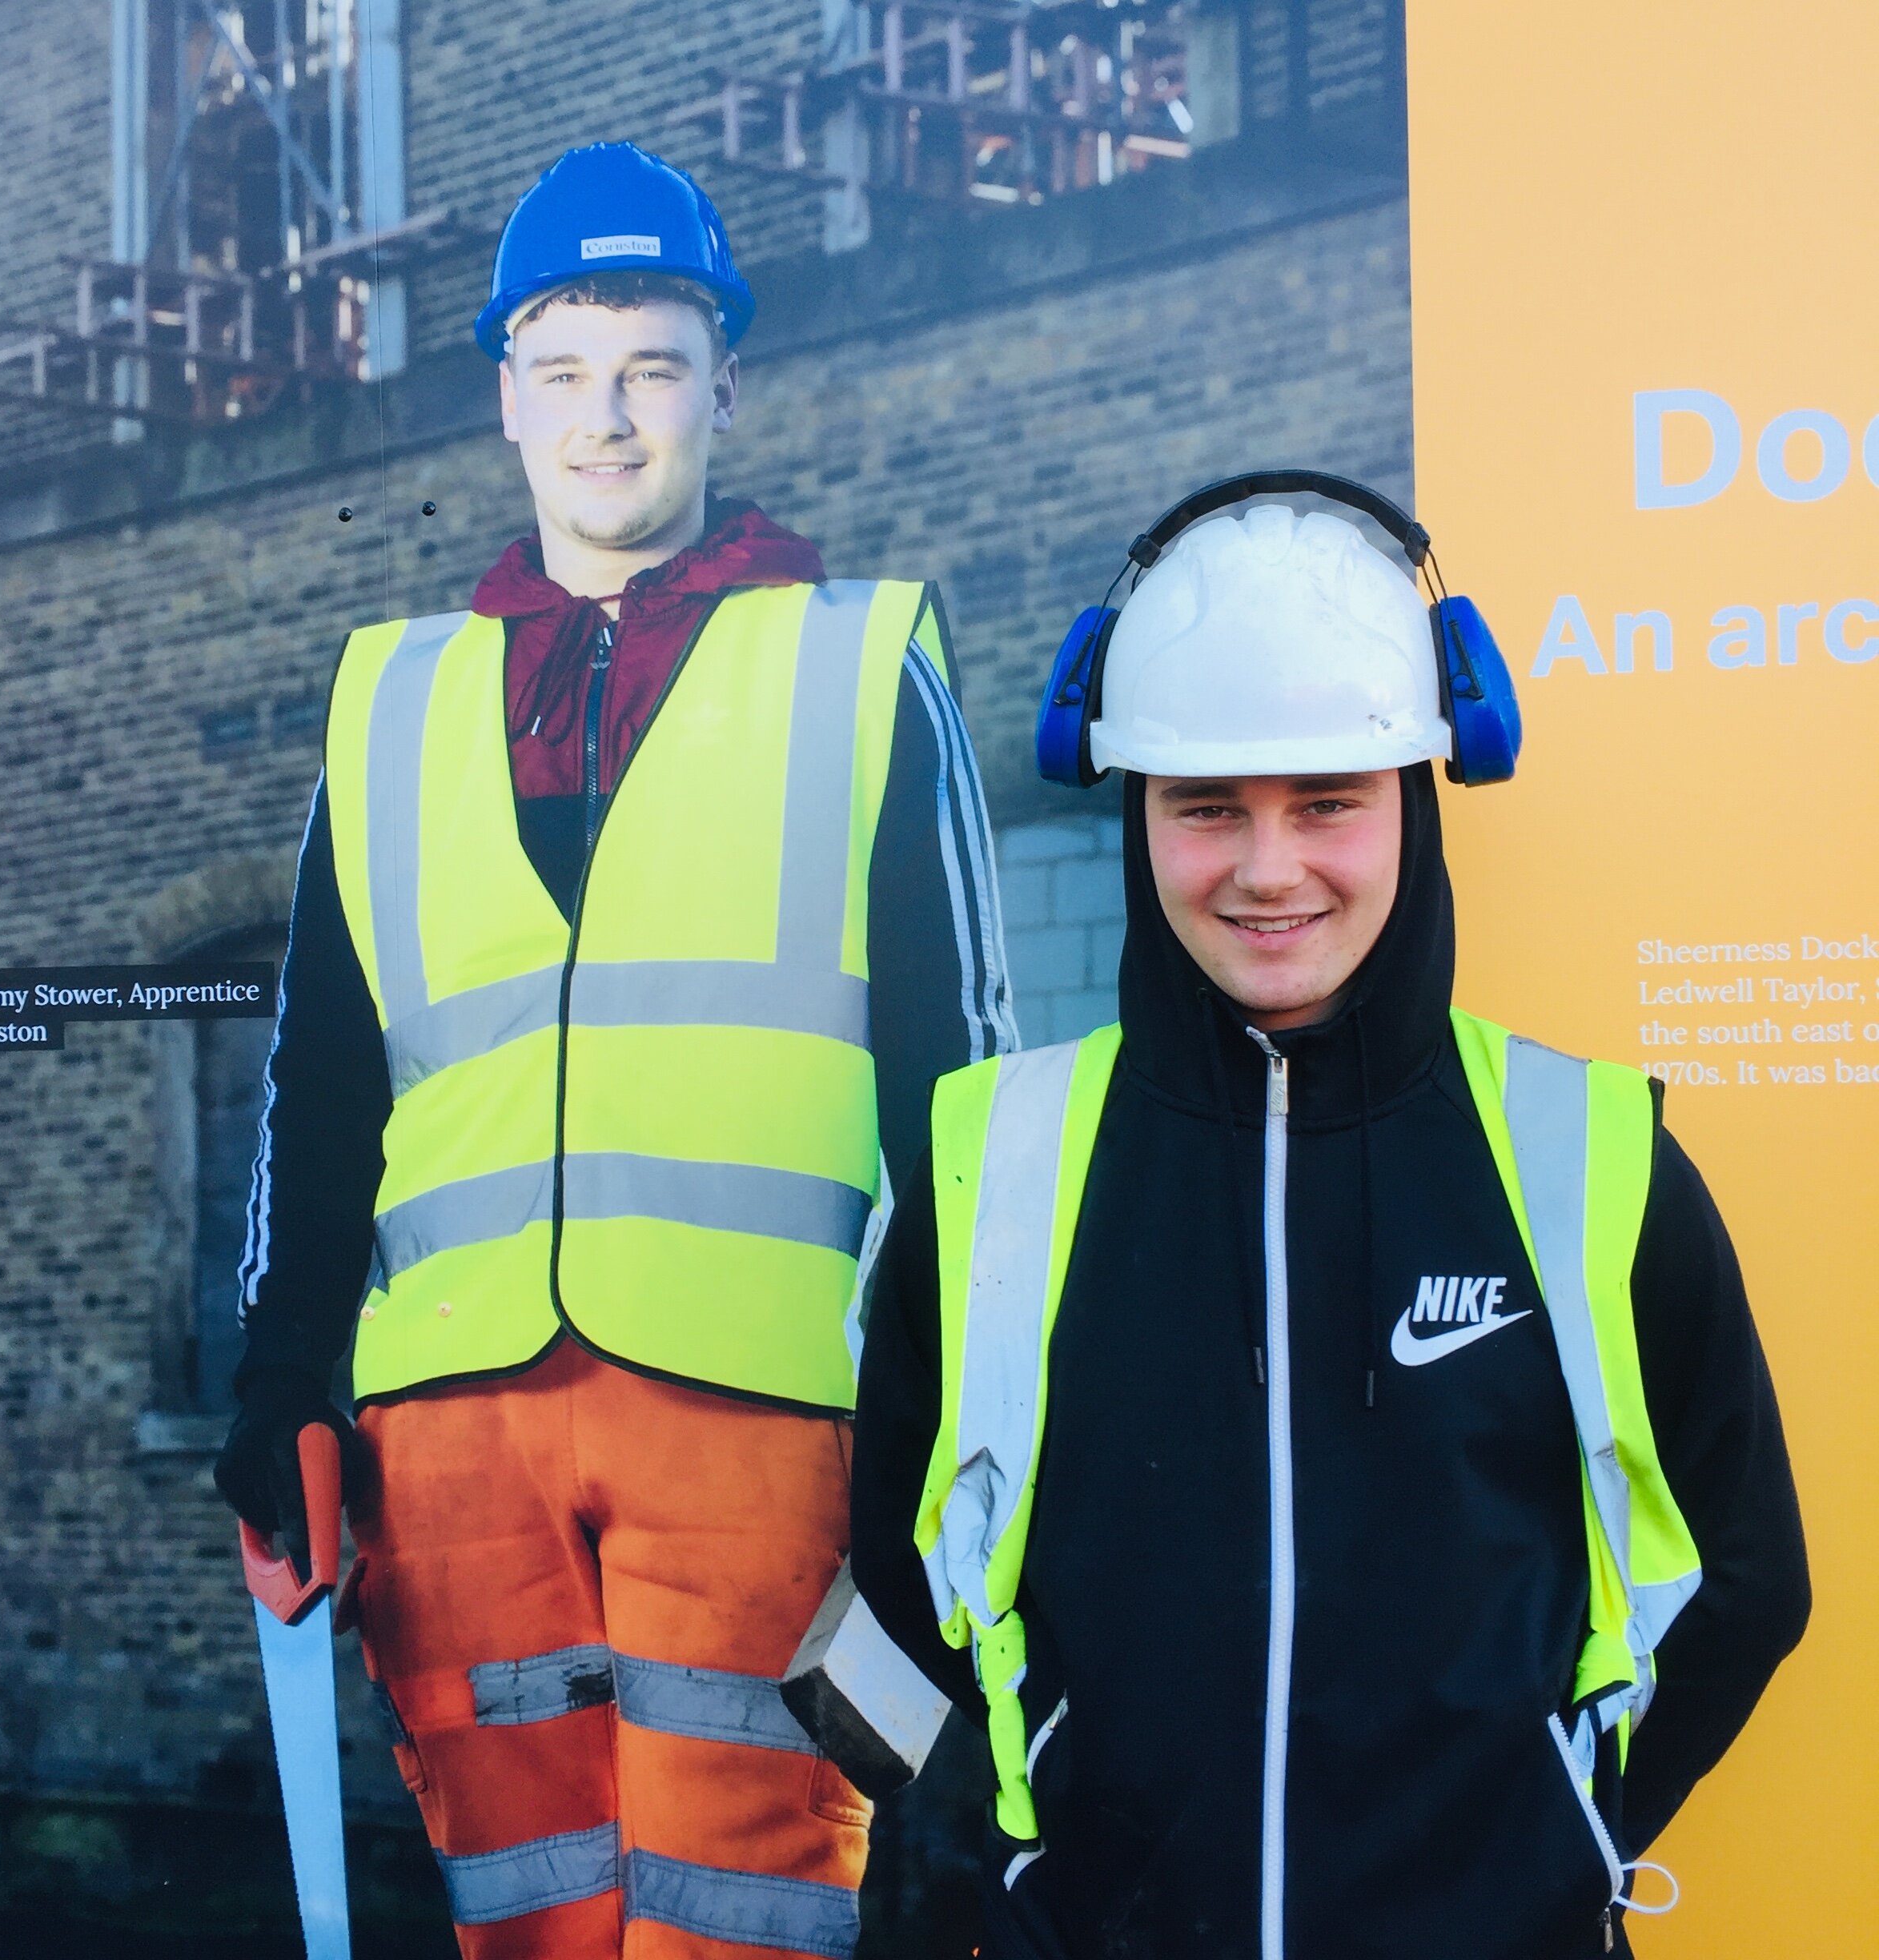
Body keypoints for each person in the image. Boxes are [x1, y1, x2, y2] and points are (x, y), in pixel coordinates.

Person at [215, 142, 1014, 1960]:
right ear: (506, 400)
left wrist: (948, 1423)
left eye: (651, 366)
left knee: (746, 1908)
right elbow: (321, 1086)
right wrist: (280, 1386)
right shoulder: (385, 701)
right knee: (529, 1921)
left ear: (723, 384)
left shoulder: (861, 663)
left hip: (767, 1432)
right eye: (565, 373)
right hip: (448, 1444)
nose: (609, 416)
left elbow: (964, 1096)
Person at [849, 477, 1810, 1959]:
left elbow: (1750, 1579)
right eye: (1207, 805)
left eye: (1327, 802)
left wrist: (1572, 1838)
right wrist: (1027, 1829)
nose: (1269, 866)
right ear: (1133, 809)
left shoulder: (1588, 1150)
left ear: (1420, 798)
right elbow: (900, 1567)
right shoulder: (995, 1157)